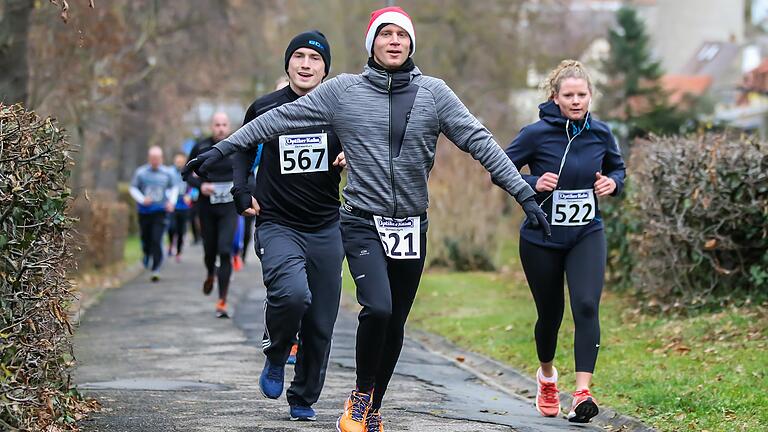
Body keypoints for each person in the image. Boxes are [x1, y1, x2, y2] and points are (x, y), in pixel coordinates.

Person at [184, 7, 549, 432]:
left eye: (402, 35)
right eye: (385, 34)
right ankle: (359, 396)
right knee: (377, 307)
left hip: (412, 224)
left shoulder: (435, 93)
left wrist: (522, 192)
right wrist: (221, 151)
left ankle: (374, 404)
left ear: (411, 44)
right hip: (360, 221)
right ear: (371, 43)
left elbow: (479, 141)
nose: (394, 41)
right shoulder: (342, 91)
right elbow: (276, 120)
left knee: (394, 323)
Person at [502, 60, 625, 423]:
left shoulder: (601, 134)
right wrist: (533, 182)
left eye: (581, 95)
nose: (576, 101)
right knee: (551, 314)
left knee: (586, 305)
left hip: (587, 231)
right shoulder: (535, 134)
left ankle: (583, 392)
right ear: (555, 98)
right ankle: (547, 376)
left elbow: (618, 169)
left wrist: (614, 183)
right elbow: (502, 168)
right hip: (543, 236)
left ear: (590, 96)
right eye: (568, 95)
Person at [231, 30, 344, 422]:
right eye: (299, 57)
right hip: (278, 222)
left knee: (321, 322)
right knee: (293, 295)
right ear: (288, 63)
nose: (306, 64)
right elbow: (241, 147)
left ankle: (303, 397)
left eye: (315, 59)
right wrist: (242, 190)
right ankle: (278, 351)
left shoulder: (339, 109)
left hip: (326, 225)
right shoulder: (265, 107)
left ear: (325, 69)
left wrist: (352, 154)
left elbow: (371, 147)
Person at [185, 112, 238, 318]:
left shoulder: (237, 144)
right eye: (217, 125)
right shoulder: (201, 146)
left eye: (224, 124)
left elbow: (249, 172)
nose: (221, 128)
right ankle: (209, 273)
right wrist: (202, 185)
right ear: (211, 126)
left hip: (229, 208)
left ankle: (222, 301)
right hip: (206, 207)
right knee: (210, 251)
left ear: (229, 126)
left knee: (225, 250)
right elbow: (187, 172)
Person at [130, 146, 177, 282]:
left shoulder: (168, 173)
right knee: (146, 237)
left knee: (157, 239)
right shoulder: (141, 172)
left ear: (161, 158)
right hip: (145, 211)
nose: (155, 161)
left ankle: (156, 268)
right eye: (153, 158)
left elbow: (173, 188)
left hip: (160, 211)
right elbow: (133, 188)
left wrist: (171, 202)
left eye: (157, 158)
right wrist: (142, 199)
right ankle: (146, 253)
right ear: (149, 158)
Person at [167, 152, 193, 262]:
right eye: (177, 162)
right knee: (171, 227)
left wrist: (190, 196)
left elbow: (194, 187)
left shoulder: (189, 172)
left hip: (184, 205)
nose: (179, 164)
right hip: (172, 204)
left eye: (181, 162)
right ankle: (170, 243)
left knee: (181, 230)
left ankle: (178, 251)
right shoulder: (169, 173)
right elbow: (165, 187)